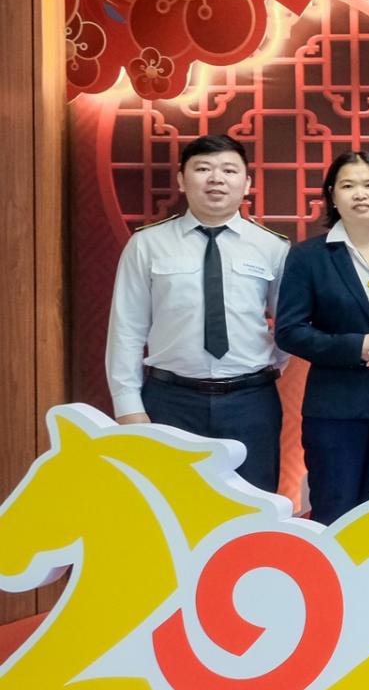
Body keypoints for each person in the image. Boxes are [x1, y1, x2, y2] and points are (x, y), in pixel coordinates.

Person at [107, 133, 289, 493]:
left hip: (250, 403)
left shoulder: (273, 247)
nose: (216, 178)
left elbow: (289, 326)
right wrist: (128, 406)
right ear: (181, 179)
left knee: (253, 505)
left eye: (229, 170)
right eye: (203, 169)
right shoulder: (147, 244)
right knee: (168, 506)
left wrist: (261, 371)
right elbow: (126, 328)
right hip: (169, 401)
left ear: (246, 183)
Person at [274, 151, 369, 523]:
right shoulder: (308, 256)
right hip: (335, 409)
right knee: (335, 511)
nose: (360, 194)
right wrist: (356, 346)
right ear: (331, 195)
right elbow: (290, 331)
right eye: (348, 185)